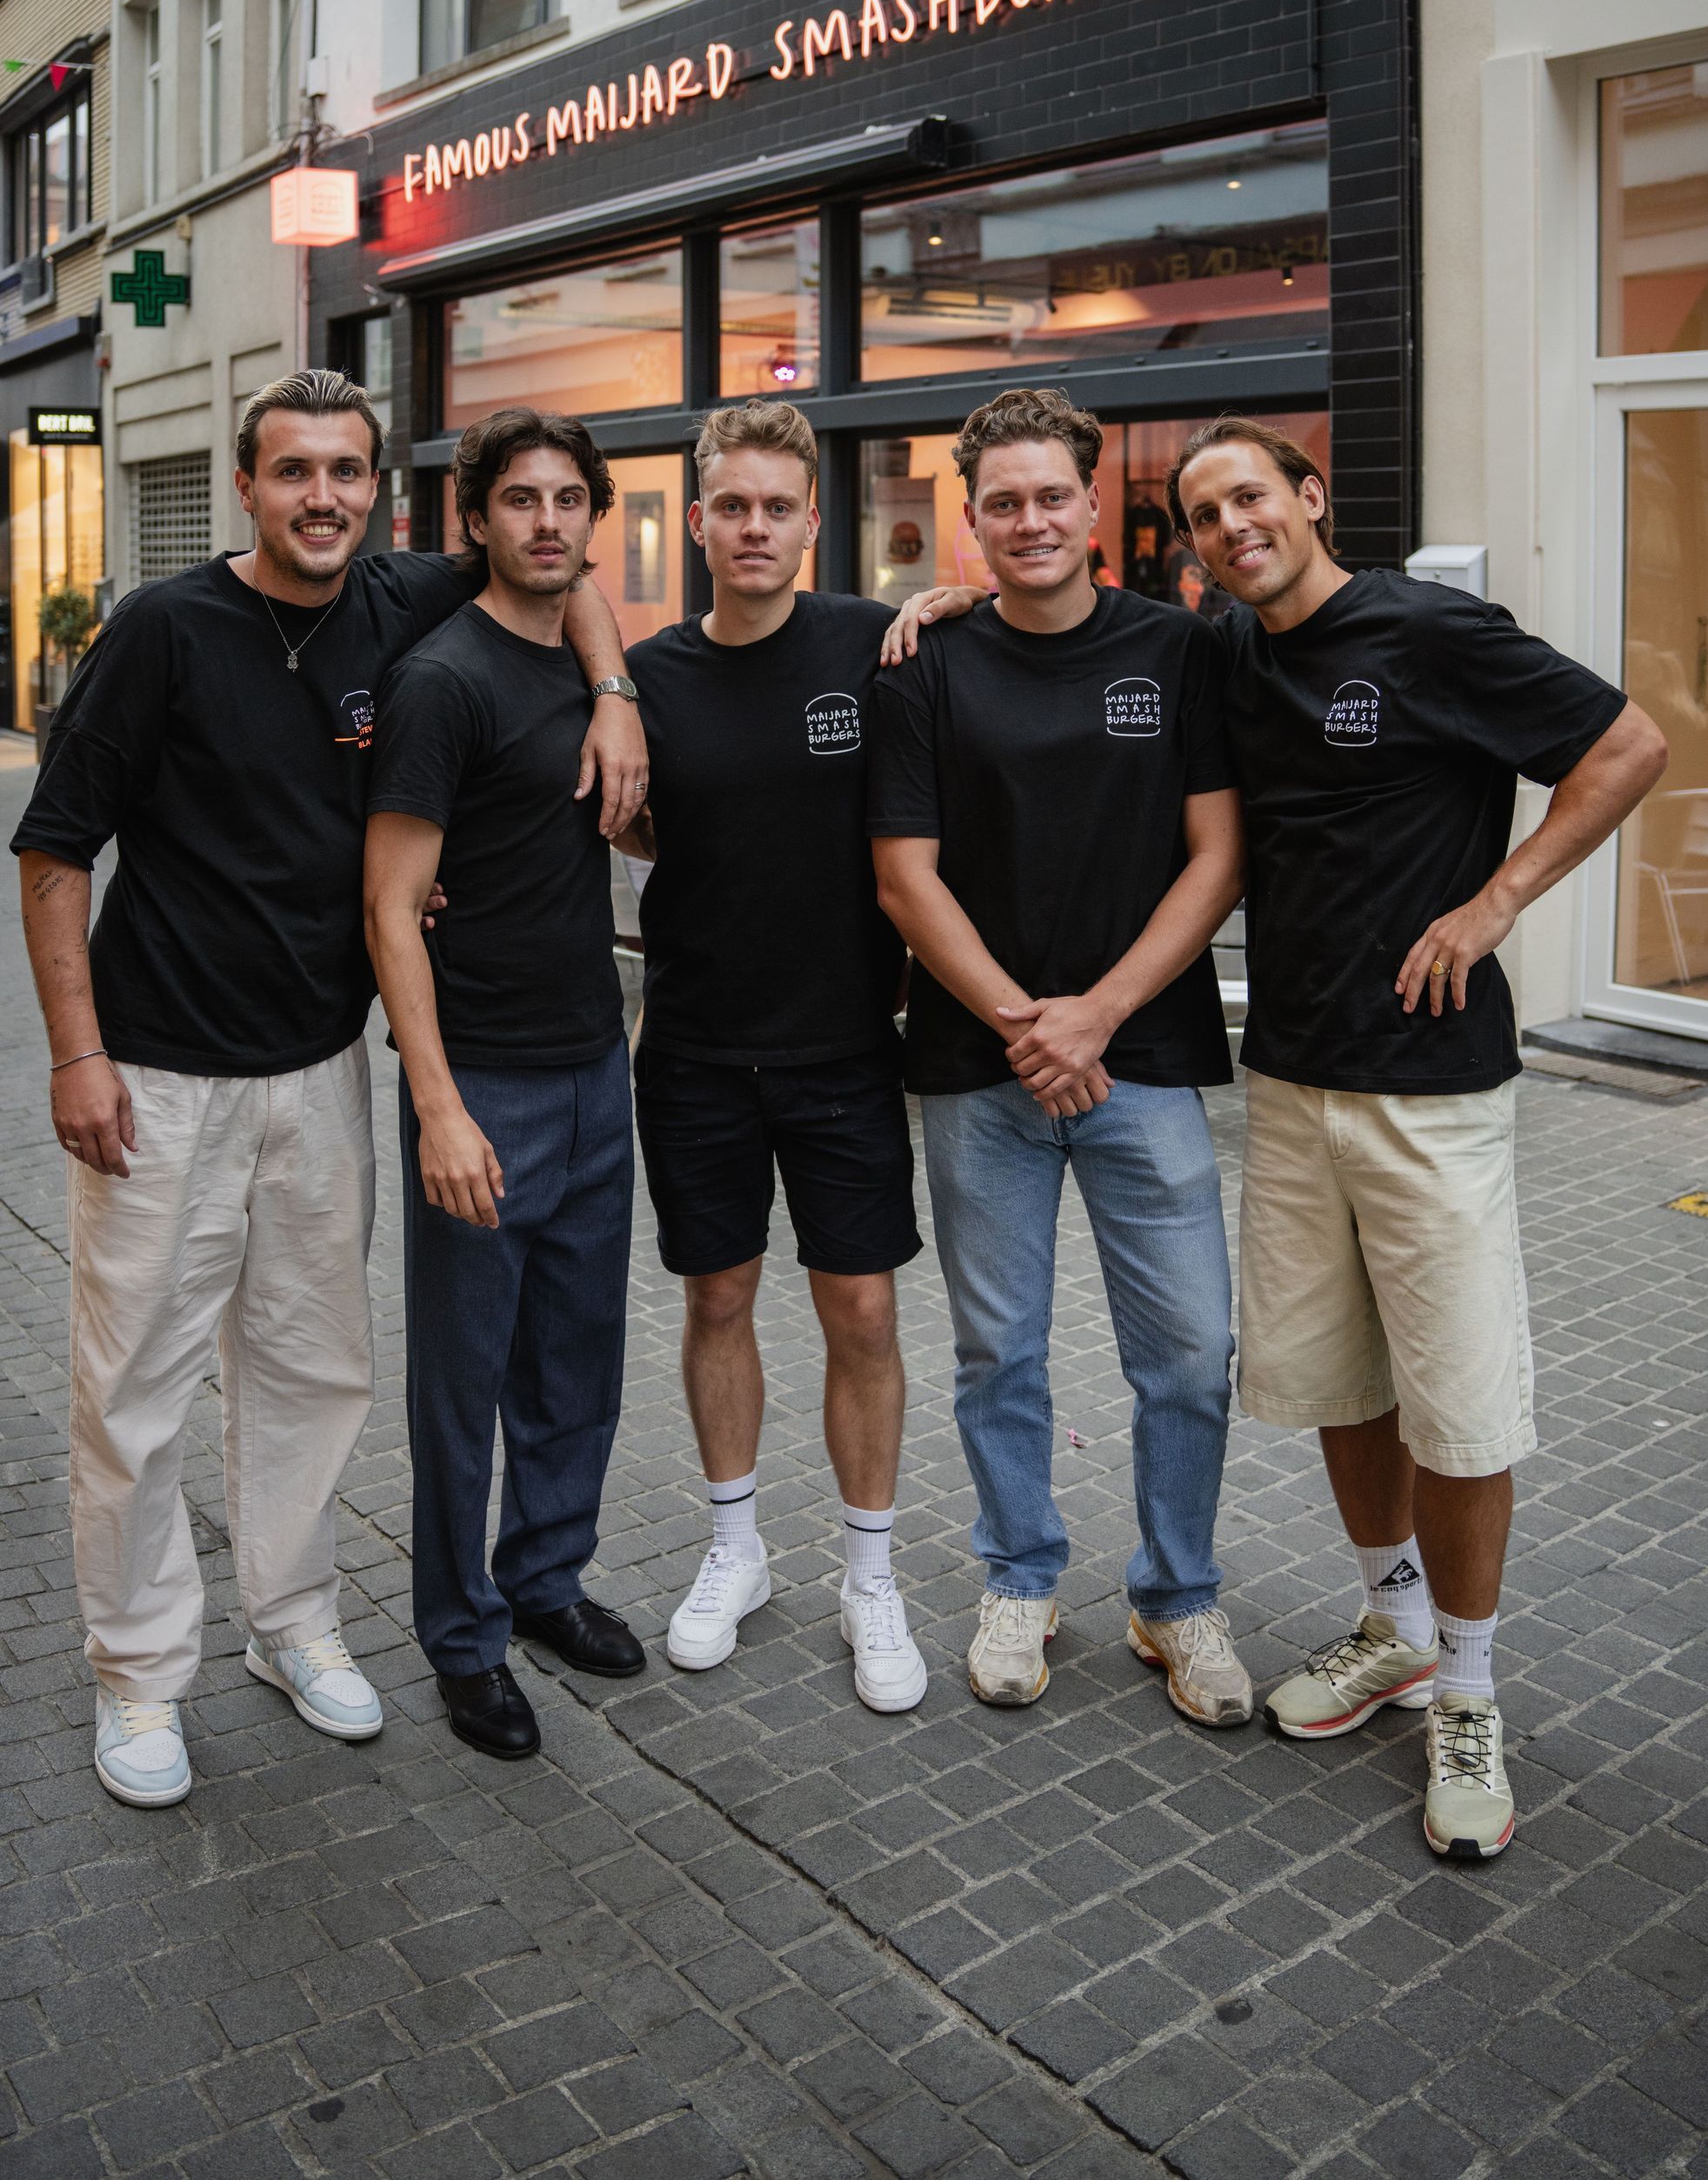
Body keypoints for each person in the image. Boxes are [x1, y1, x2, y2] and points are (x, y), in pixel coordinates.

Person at [11, 370, 644, 1809]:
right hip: (158, 1078)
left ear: (380, 490)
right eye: (294, 472)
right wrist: (74, 1052)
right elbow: (54, 854)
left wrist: (613, 694)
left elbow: (556, 566)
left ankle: (290, 1625)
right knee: (135, 1393)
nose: (323, 499)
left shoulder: (394, 600)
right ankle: (139, 1675)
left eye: (347, 473)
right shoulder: (166, 631)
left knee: (310, 1372)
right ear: (247, 485)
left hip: (319, 1071)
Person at [1170, 416, 1666, 1858]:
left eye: (1249, 497)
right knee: (1341, 1379)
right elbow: (1073, 626)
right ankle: (1392, 1626)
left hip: (1433, 1090)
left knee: (1457, 1400)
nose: (1229, 527)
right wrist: (946, 603)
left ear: (1310, 499)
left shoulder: (1434, 631)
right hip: (1292, 1080)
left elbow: (1628, 744)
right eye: (1203, 515)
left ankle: (1472, 1687)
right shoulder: (1232, 652)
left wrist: (1497, 905)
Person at [870, 387, 1252, 1720]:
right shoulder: (927, 662)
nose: (1028, 520)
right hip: (983, 1077)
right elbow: (905, 880)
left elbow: (1219, 856)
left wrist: (1092, 1016)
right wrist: (1026, 1027)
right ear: (968, 521)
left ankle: (1176, 1599)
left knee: (1194, 1353)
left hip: (1140, 1059)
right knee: (998, 1352)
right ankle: (1020, 1573)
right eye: (1001, 503)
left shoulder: (1181, 650)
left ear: (1092, 507)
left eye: (1050, 497)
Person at [619, 400, 927, 1711]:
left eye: (776, 508)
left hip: (849, 1047)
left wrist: (955, 595)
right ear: (697, 521)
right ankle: (734, 1549)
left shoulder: (873, 643)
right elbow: (629, 824)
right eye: (730, 506)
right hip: (692, 1046)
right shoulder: (647, 674)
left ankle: (871, 1574)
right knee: (718, 1300)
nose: (753, 527)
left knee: (861, 1310)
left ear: (813, 521)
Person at [364, 409, 645, 1762]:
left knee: (577, 1361)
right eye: (520, 499)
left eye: (569, 500)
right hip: (485, 1083)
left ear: (595, 520)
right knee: (462, 1385)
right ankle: (462, 1637)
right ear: (474, 518)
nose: (547, 520)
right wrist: (437, 1105)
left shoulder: (587, 668)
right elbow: (390, 901)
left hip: (599, 1067)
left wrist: (622, 702)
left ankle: (546, 1582)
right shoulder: (443, 678)